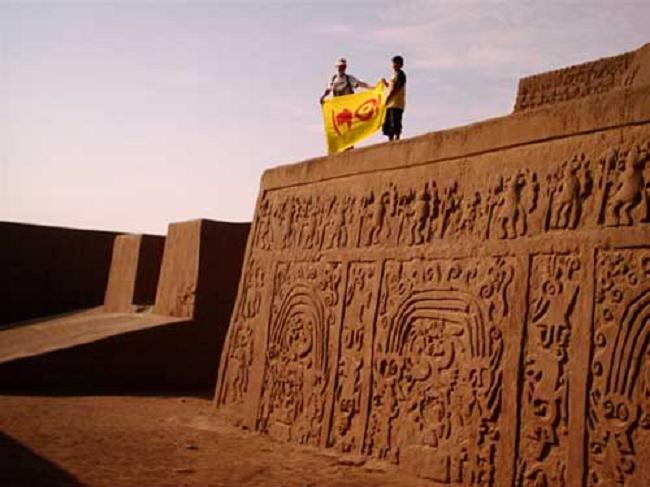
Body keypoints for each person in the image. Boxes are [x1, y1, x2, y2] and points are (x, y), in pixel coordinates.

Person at [382, 55, 406, 141]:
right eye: (394, 63)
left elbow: (396, 88)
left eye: (397, 63)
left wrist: (388, 98)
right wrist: (385, 84)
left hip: (396, 103)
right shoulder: (393, 75)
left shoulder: (401, 75)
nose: (395, 65)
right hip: (390, 103)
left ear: (401, 65)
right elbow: (391, 87)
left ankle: (397, 138)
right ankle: (390, 139)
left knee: (395, 121)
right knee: (388, 122)